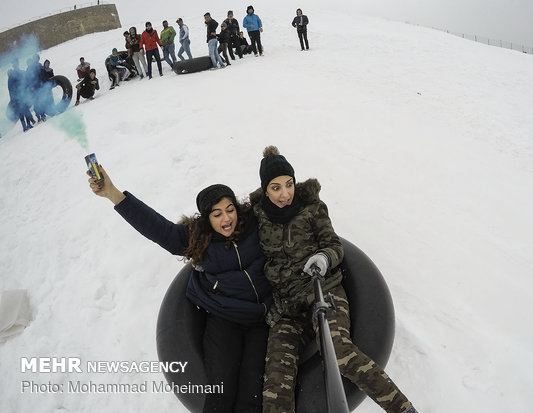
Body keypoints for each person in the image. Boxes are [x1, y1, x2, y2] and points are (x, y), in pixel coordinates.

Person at [87, 167, 273, 413]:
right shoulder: (198, 239)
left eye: (230, 210)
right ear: (207, 218)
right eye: (217, 214)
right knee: (221, 391)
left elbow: (281, 195)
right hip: (224, 318)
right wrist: (113, 193)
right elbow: (156, 227)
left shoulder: (254, 224)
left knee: (252, 392)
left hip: (259, 319)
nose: (226, 219)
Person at [250, 146, 419, 413]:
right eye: (276, 187)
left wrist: (325, 258)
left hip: (323, 292)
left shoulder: (312, 209)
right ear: (265, 189)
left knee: (339, 351)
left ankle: (403, 409)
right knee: (276, 377)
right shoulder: (256, 216)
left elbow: (334, 244)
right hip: (287, 308)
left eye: (289, 184)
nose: (285, 194)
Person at [7, 60, 33, 132]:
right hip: (17, 97)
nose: (15, 65)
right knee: (21, 112)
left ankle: (29, 124)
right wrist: (12, 99)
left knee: (26, 109)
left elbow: (27, 81)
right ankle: (24, 127)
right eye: (14, 64)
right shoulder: (11, 76)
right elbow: (10, 88)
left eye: (16, 63)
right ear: (13, 65)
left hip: (24, 94)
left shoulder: (22, 72)